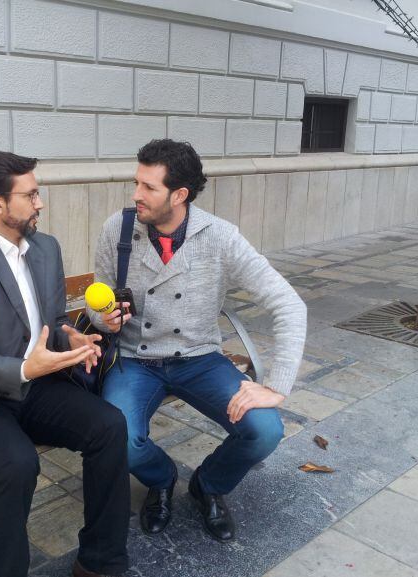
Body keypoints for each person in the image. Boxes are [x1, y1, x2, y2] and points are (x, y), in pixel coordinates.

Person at [0, 151, 130, 577]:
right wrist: (24, 370)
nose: (40, 203)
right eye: (31, 195)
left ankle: (100, 561)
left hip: (36, 387)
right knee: (17, 464)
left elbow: (51, 321)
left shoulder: (45, 248)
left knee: (110, 425)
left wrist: (71, 335)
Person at [89, 139, 307, 542]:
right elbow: (97, 294)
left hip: (199, 357)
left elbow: (289, 304)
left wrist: (277, 386)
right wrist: (103, 319)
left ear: (180, 194)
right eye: (136, 182)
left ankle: (209, 484)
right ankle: (162, 477)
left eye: (149, 187)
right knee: (120, 440)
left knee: (265, 430)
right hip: (135, 358)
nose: (136, 194)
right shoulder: (118, 229)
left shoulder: (221, 237)